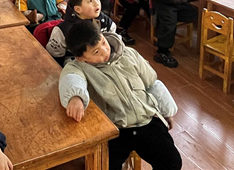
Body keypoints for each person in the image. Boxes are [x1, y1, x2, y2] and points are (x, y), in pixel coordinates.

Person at [59, 21, 181, 170]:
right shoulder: (78, 67)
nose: (105, 51)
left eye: (103, 42)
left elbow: (152, 83)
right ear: (81, 58)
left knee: (172, 162)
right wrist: (75, 97)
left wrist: (167, 111)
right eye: (96, 52)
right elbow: (71, 78)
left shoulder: (128, 54)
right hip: (115, 129)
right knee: (104, 166)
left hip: (146, 119)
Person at [47, 0, 116, 64]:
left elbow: (113, 42)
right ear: (78, 9)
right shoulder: (63, 30)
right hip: (78, 65)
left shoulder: (104, 21)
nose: (96, 3)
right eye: (90, 1)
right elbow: (55, 58)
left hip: (105, 60)